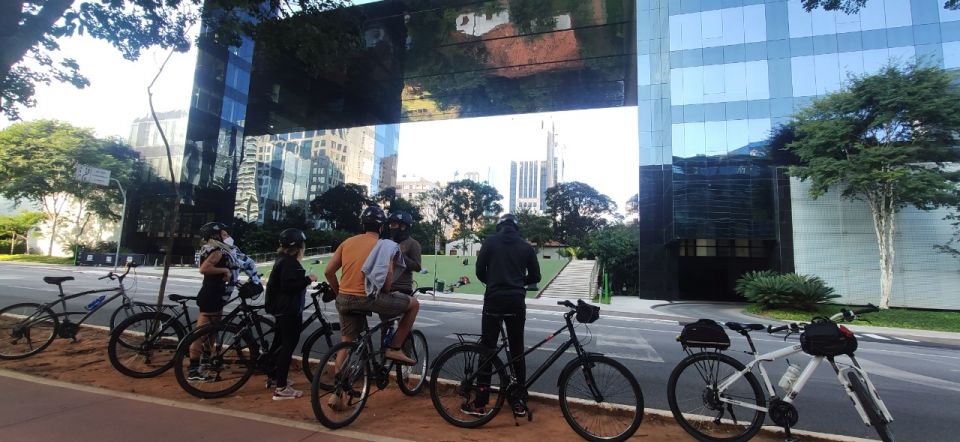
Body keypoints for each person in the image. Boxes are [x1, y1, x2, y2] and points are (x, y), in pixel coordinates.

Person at [324, 206, 421, 373]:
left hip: (344, 298)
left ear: (363, 225)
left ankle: (338, 391)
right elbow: (387, 281)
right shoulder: (385, 246)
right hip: (369, 298)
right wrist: (385, 288)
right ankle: (395, 348)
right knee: (414, 305)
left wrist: (339, 291)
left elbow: (328, 272)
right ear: (382, 227)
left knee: (346, 342)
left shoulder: (347, 242)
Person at [467, 213, 541, 417]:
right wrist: (517, 282)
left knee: (487, 349)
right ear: (516, 228)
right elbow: (536, 276)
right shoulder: (526, 246)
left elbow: (479, 270)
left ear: (499, 227)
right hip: (516, 300)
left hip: (494, 298)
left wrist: (493, 281)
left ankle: (481, 403)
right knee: (517, 349)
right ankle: (518, 401)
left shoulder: (490, 242)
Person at [263, 228, 316, 400]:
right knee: (287, 345)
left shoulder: (282, 259)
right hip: (288, 309)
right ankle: (281, 388)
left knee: (279, 343)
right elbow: (289, 286)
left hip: (280, 308)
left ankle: (274, 377)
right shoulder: (289, 263)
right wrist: (309, 279)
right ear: (299, 247)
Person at [188, 222, 234, 381]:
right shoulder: (217, 252)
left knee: (212, 331)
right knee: (200, 334)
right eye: (224, 235)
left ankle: (207, 360)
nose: (227, 237)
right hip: (211, 294)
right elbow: (204, 269)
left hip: (215, 293)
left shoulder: (211, 249)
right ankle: (193, 369)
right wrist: (224, 270)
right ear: (216, 236)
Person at [385, 211, 422, 296]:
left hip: (402, 288)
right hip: (385, 286)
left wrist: (400, 256)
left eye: (394, 225)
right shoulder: (387, 242)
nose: (391, 227)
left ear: (403, 226)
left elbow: (417, 267)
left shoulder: (413, 244)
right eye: (390, 225)